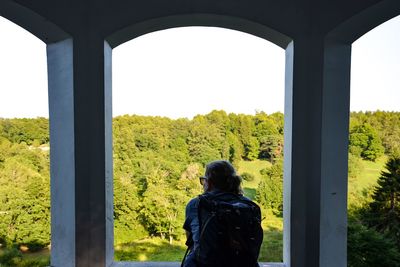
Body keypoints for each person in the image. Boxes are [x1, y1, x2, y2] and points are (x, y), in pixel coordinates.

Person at [181, 160, 262, 267]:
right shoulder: (250, 206)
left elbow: (191, 241)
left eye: (203, 180)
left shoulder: (195, 204)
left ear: (209, 183)